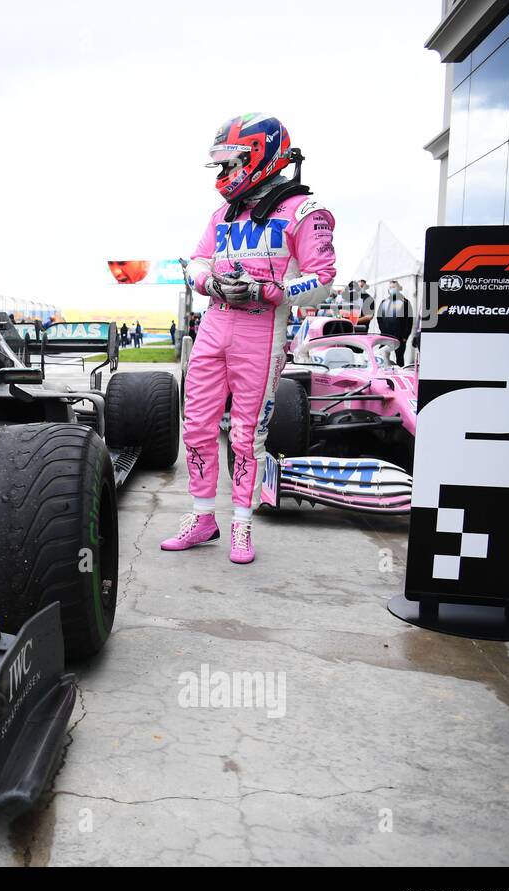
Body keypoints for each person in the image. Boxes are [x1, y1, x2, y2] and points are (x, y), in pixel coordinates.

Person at [164, 113, 337, 564]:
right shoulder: (223, 213)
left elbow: (323, 281)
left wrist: (270, 290)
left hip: (262, 328)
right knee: (197, 425)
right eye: (219, 166)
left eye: (230, 163)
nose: (223, 175)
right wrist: (212, 285)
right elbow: (196, 264)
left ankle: (241, 526)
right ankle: (203, 518)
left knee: (246, 434)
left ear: (259, 156)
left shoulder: (305, 211)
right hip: (215, 322)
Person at [373, 280, 412, 366]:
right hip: (386, 334)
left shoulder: (405, 302)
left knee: (399, 356)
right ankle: (383, 370)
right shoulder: (384, 302)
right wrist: (383, 330)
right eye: (390, 287)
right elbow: (379, 317)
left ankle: (401, 372)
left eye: (394, 287)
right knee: (383, 354)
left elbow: (409, 321)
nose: (392, 289)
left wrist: (405, 335)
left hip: (399, 335)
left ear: (398, 288)